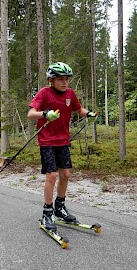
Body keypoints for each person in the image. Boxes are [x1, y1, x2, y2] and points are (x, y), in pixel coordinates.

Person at [27, 62, 97, 231]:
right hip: (47, 141)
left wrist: (88, 114)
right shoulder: (44, 93)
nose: (65, 82)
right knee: (51, 176)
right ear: (51, 80)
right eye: (61, 79)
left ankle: (60, 208)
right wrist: (45, 114)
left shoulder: (70, 94)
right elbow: (30, 114)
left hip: (63, 141)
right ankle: (47, 212)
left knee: (65, 174)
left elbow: (78, 109)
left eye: (67, 79)